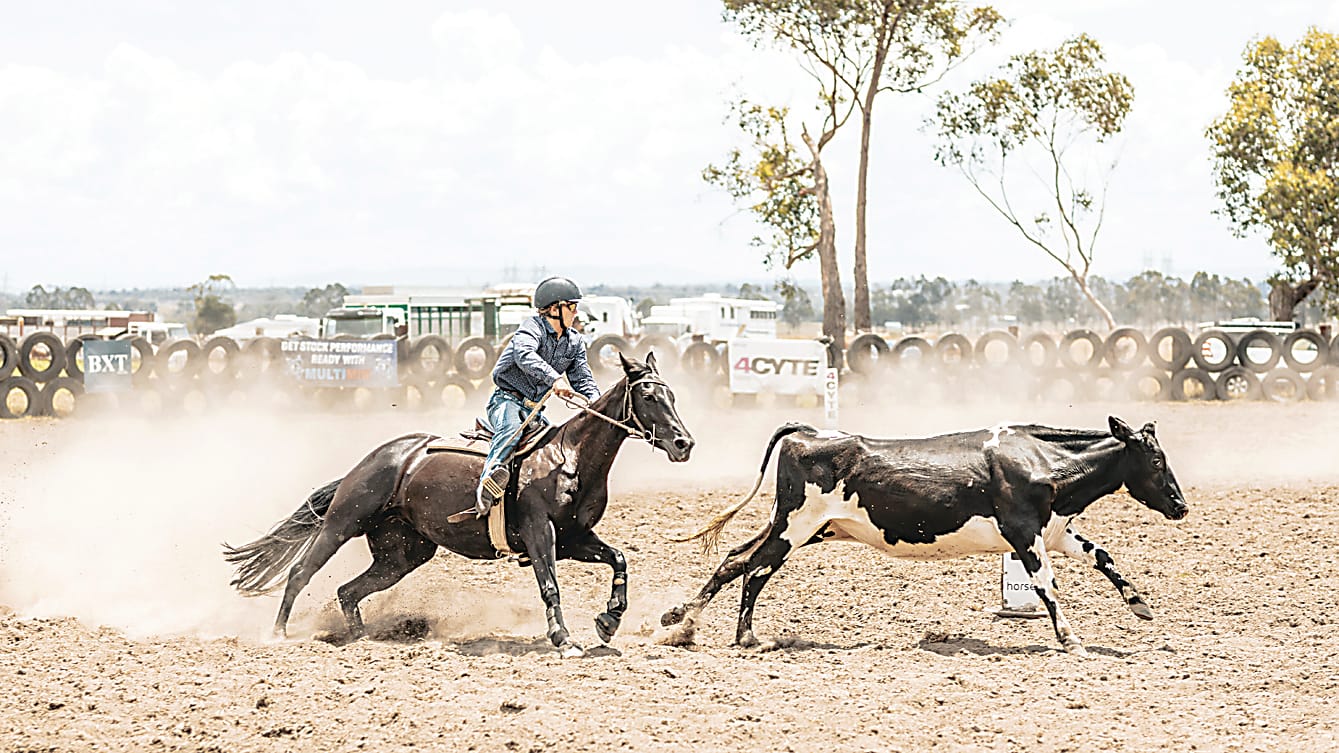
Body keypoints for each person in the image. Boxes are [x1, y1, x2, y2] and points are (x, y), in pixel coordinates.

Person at [474, 276, 601, 517]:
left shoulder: (574, 342)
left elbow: (583, 378)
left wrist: (596, 402)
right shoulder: (530, 328)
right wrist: (555, 379)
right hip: (506, 401)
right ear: (555, 308)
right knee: (511, 430)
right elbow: (525, 355)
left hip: (535, 411)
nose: (575, 313)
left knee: (552, 446)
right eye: (572, 306)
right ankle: (486, 484)